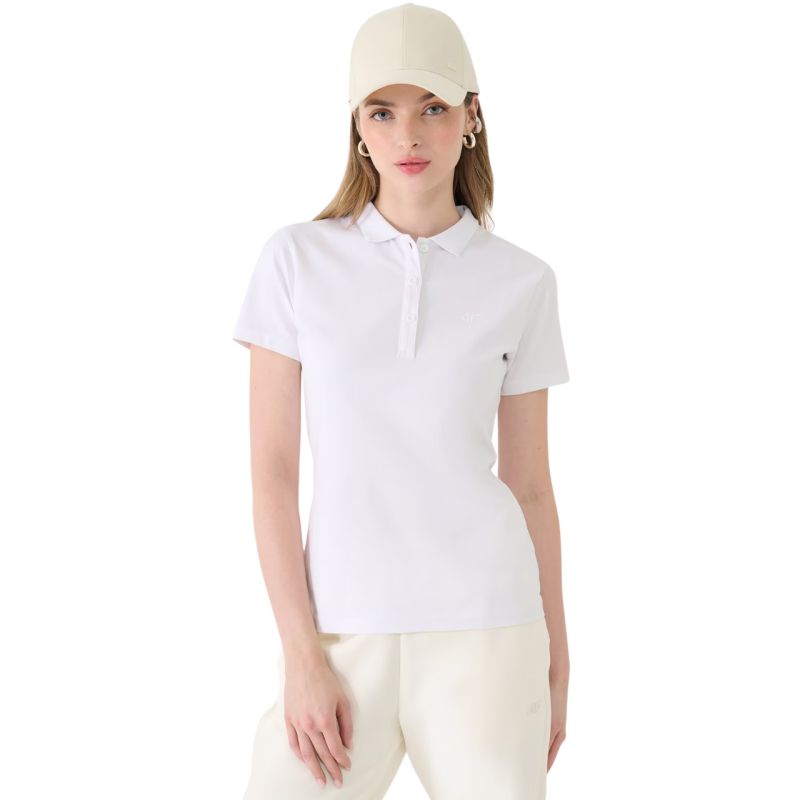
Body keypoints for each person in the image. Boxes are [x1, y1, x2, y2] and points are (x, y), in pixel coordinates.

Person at [232, 3, 570, 797]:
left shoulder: (522, 281)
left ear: (472, 116)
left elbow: (530, 486)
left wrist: (557, 654)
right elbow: (273, 474)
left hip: (490, 631)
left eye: (433, 108)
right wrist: (301, 654)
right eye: (382, 111)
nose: (408, 135)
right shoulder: (296, 261)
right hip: (339, 632)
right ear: (357, 125)